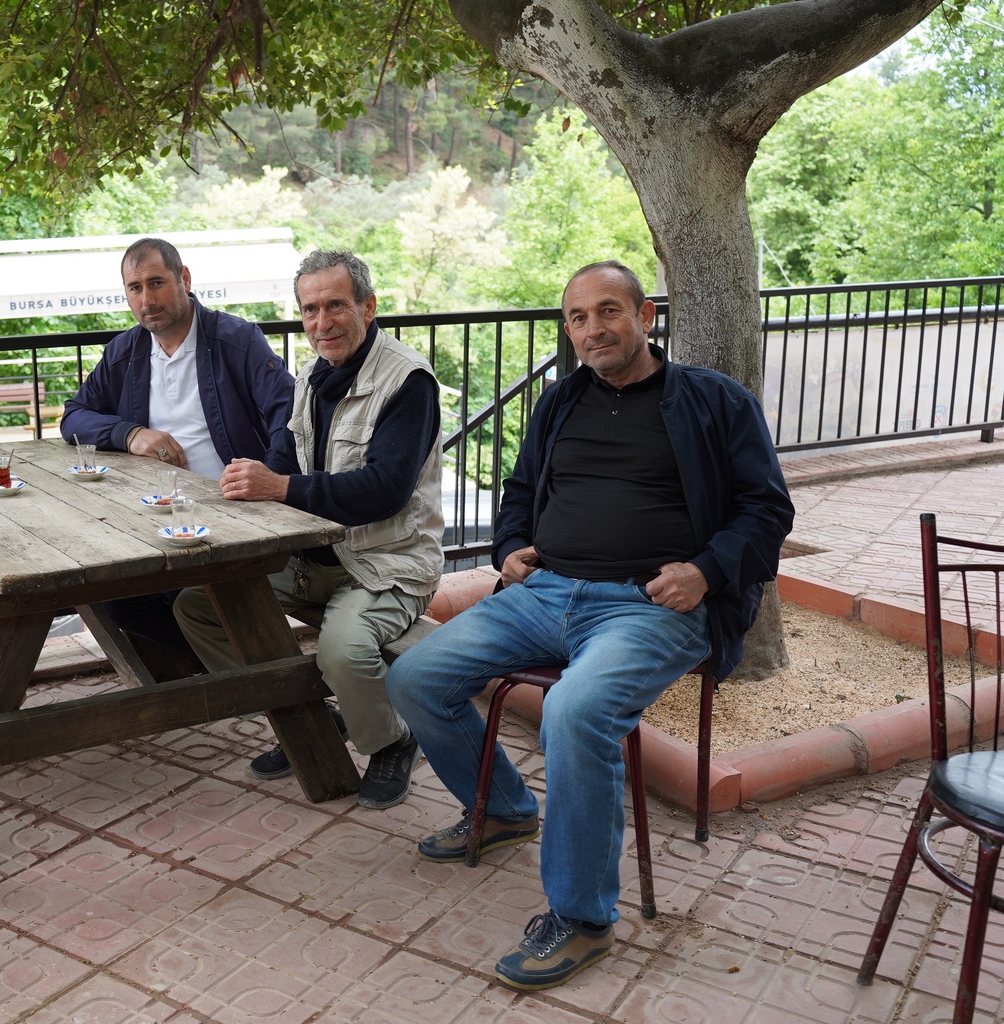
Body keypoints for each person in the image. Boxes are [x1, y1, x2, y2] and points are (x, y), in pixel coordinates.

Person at [385, 261, 795, 991]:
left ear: (645, 315)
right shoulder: (560, 401)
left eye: (608, 310)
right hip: (544, 593)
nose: (592, 329)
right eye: (577, 317)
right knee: (414, 675)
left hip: (649, 606)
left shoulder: (713, 401)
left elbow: (767, 510)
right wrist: (511, 547)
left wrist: (704, 571)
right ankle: (504, 809)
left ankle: (581, 917)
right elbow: (519, 490)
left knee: (574, 711)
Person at [173, 249, 445, 810]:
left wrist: (280, 488)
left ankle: (392, 739)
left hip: (386, 563)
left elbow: (385, 491)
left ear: (368, 307)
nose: (322, 323)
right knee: (199, 605)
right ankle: (308, 715)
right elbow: (284, 457)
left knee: (341, 651)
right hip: (315, 561)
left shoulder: (408, 382)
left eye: (336, 306)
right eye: (310, 309)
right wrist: (254, 482)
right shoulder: (312, 376)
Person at [61, 237, 294, 655]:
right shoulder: (125, 352)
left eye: (156, 283)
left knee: (185, 595)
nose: (147, 300)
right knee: (112, 596)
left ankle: (235, 671)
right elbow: (74, 416)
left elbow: (289, 412)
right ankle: (218, 665)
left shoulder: (237, 340)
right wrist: (130, 434)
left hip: (229, 511)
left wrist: (267, 478)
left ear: (184, 278)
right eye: (135, 288)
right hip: (150, 514)